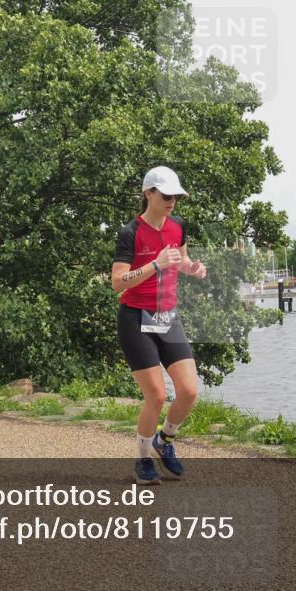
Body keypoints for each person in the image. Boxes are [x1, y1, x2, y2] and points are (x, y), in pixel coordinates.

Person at [111, 166, 208, 485]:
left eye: (176, 197)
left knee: (190, 391)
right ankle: (141, 459)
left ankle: (163, 442)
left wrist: (193, 268)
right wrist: (154, 265)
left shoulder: (178, 225)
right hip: (135, 318)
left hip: (167, 316)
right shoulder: (130, 232)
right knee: (155, 396)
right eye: (166, 196)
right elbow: (117, 282)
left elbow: (180, 258)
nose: (172, 202)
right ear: (147, 194)